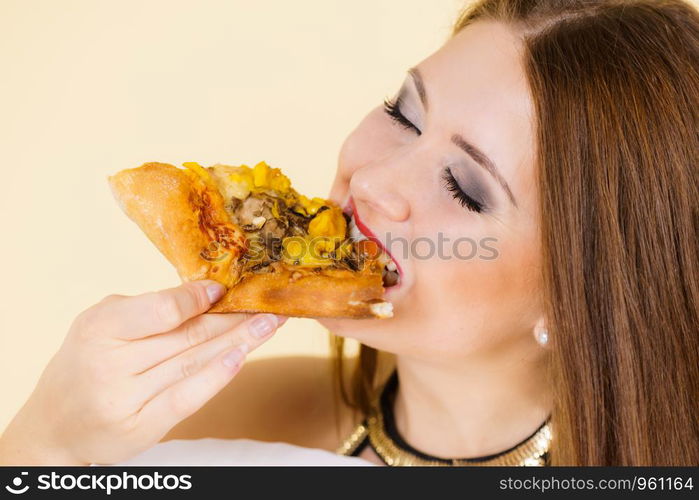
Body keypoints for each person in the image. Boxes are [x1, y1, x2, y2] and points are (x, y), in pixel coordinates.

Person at [1, 0, 697, 466]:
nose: (373, 182)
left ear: (580, 297)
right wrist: (50, 440)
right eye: (401, 113)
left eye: (464, 186)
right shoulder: (223, 422)